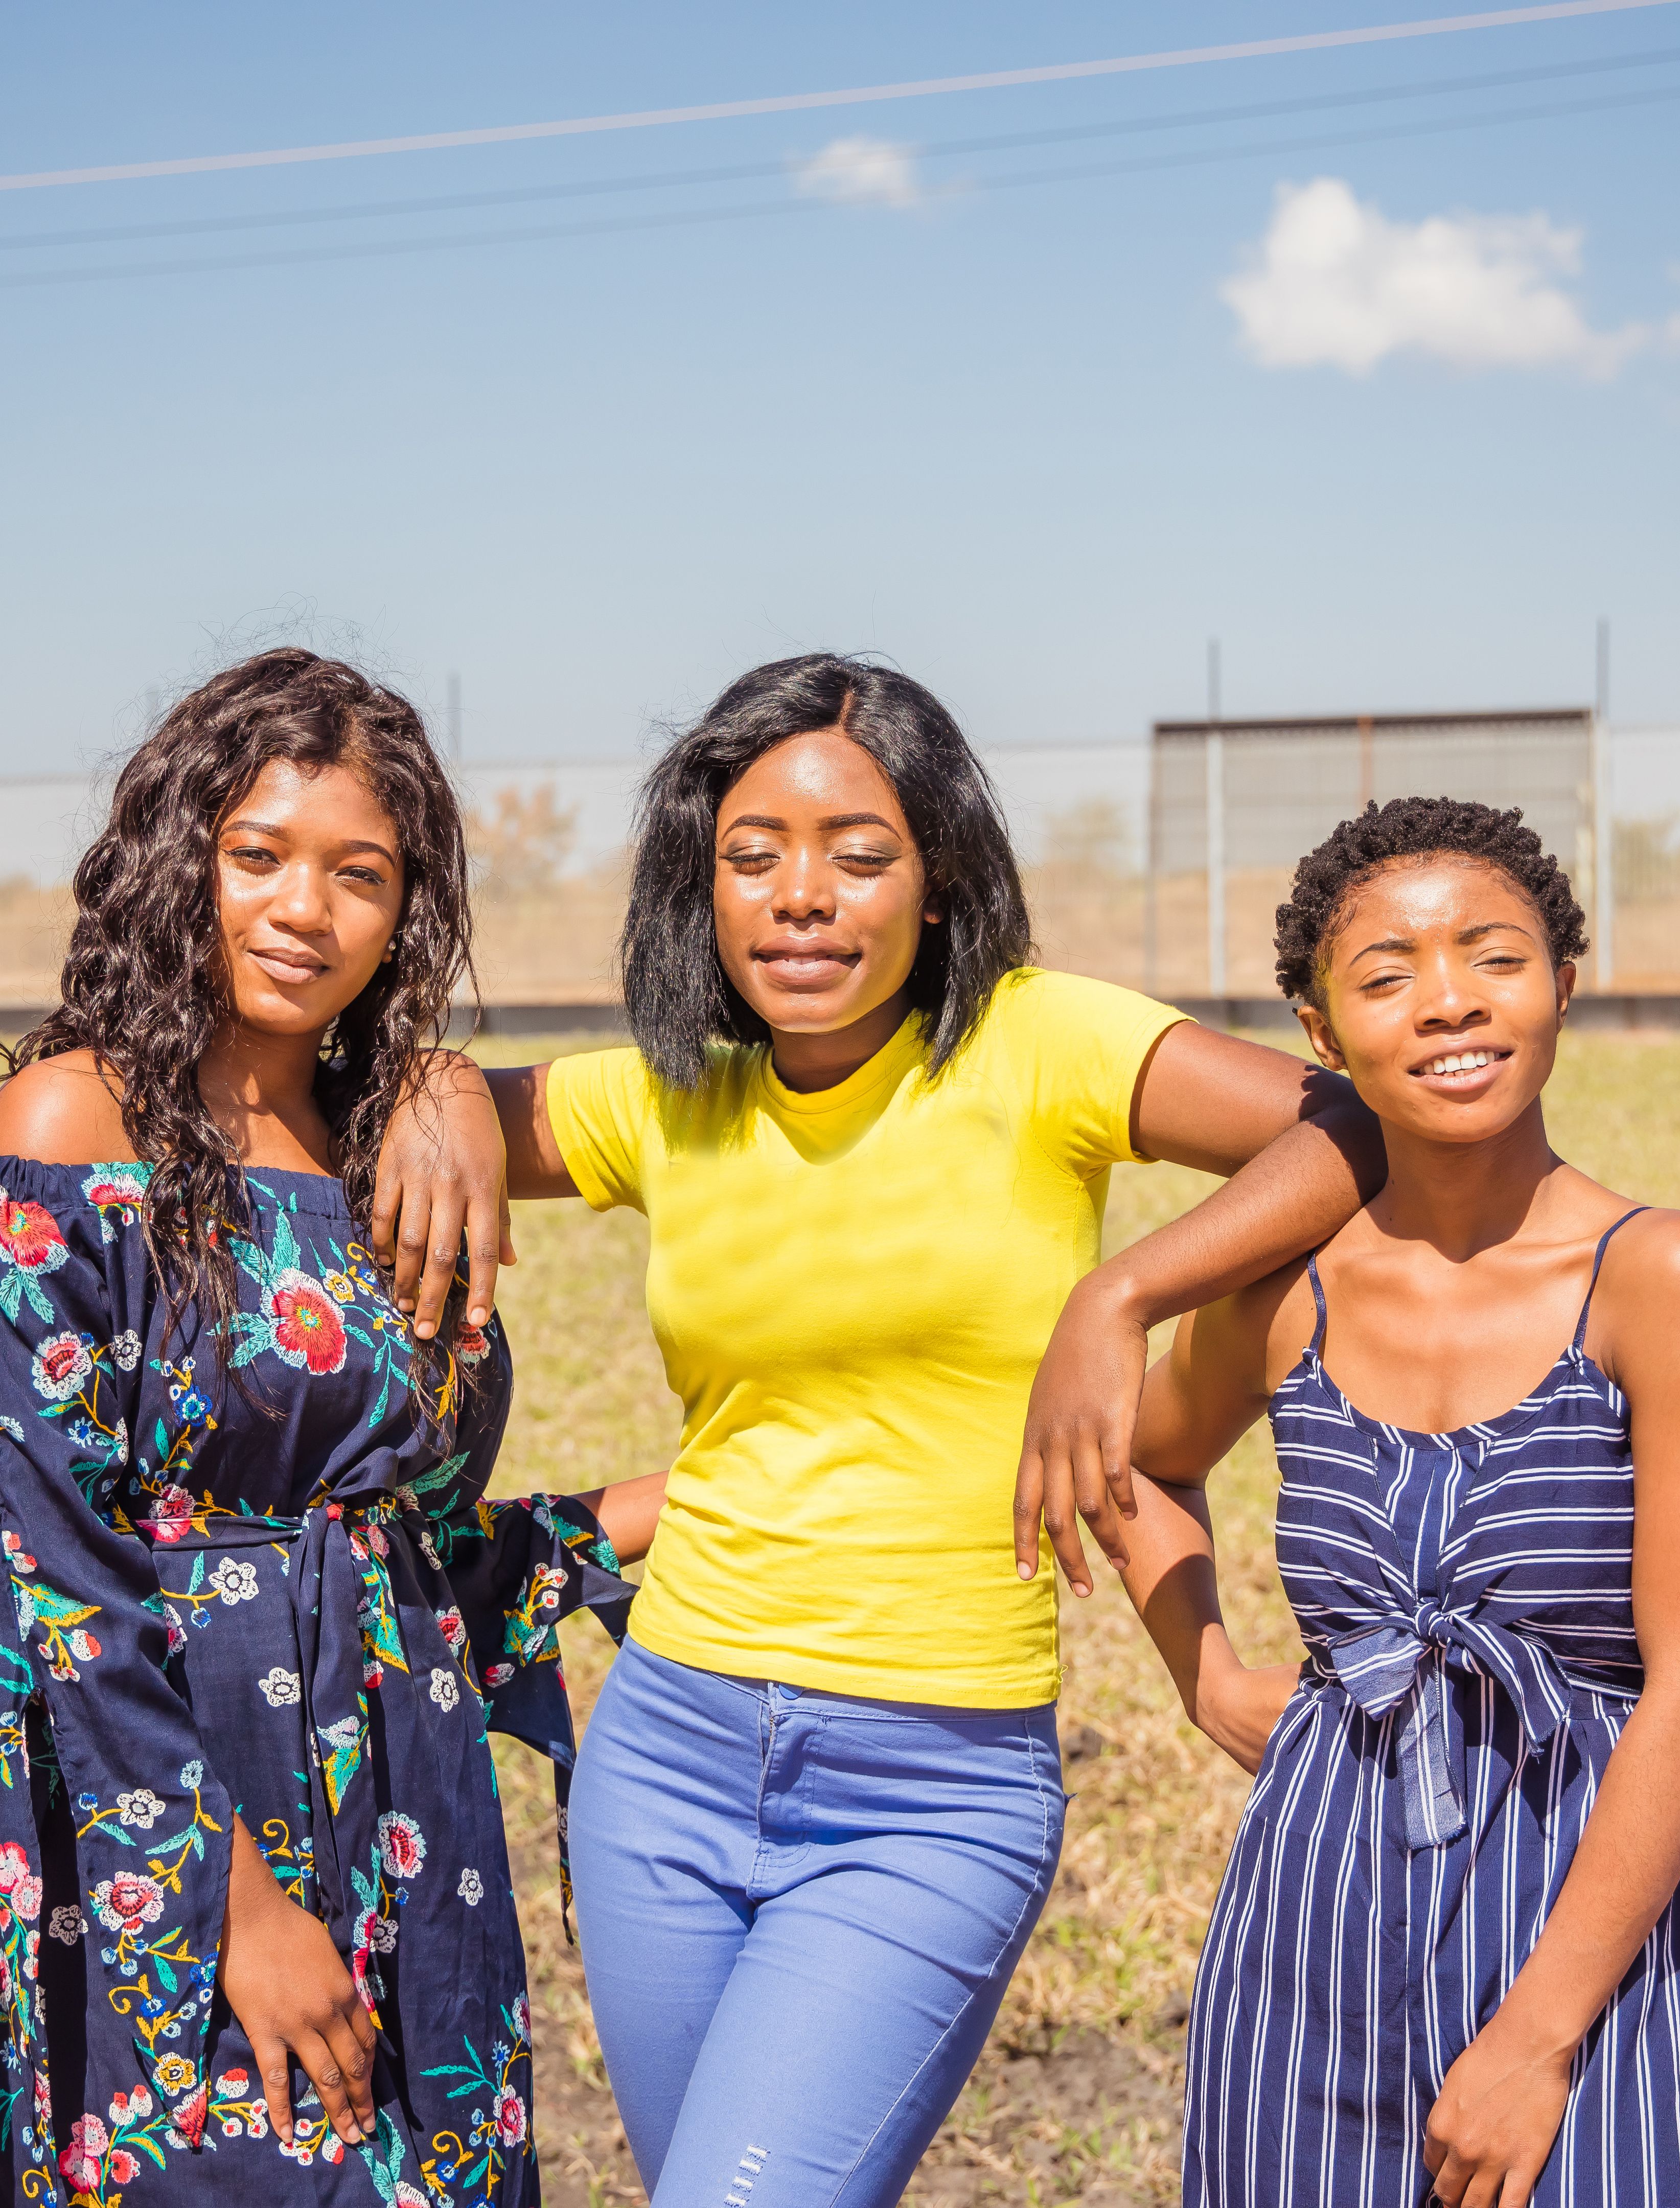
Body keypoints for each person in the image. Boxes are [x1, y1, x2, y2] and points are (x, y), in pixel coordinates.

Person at [457, 653, 1386, 2205]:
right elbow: (386, 1116)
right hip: (666, 1759)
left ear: (939, 880)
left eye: (857, 853)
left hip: (930, 1792)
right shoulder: (667, 1098)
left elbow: (1344, 1124)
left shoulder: (1042, 1045)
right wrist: (429, 1087)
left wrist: (1122, 1297)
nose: (801, 897)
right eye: (751, 858)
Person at [0, 647, 658, 2207]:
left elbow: (402, 1551)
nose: (302, 910)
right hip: (183, 1816)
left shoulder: (389, 1149)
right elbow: (43, 1564)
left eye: (360, 874)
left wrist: (623, 1524)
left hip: (411, 1811)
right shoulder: (69, 1128)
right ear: (176, 859)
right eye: (256, 856)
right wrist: (228, 1906)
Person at [1030, 796, 1680, 2208]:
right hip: (1315, 1908)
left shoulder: (1663, 1275)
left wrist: (1541, 2037)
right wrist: (1205, 1672)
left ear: (1563, 980)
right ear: (1321, 1033)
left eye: (1495, 956)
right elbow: (1151, 1462)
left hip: (1590, 1924)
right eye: (1386, 977)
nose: (1447, 1004)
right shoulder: (1291, 1294)